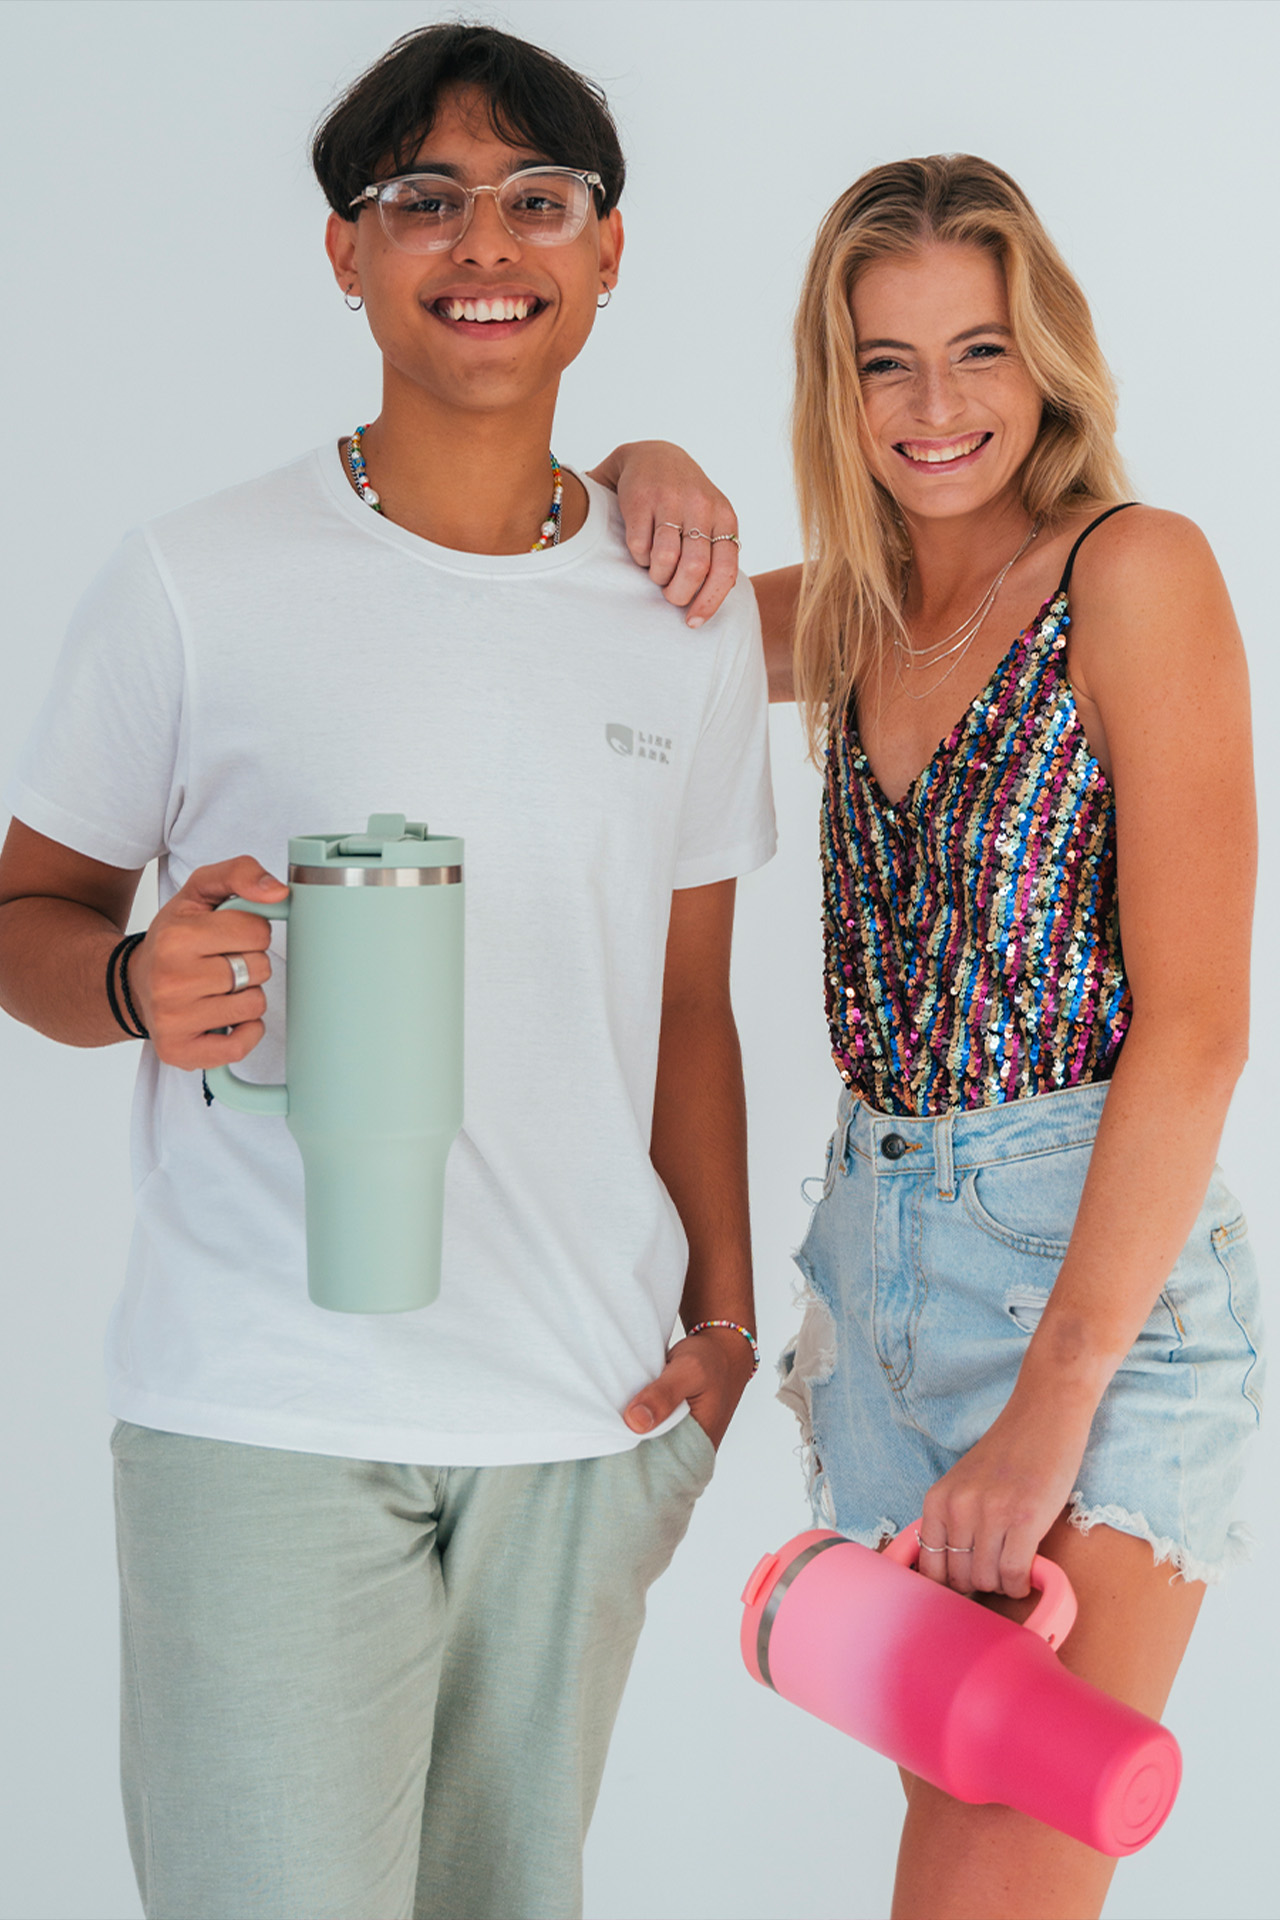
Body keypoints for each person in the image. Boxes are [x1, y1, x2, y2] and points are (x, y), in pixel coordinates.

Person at [0, 24, 773, 1920]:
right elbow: (29, 911)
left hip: (581, 1419)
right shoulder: (194, 580)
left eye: (538, 199)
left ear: (608, 251)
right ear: (345, 252)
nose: (483, 241)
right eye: (422, 199)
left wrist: (726, 1330)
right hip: (265, 1406)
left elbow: (685, 1006)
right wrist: (132, 983)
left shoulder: (682, 612)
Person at [605, 154, 1262, 1920]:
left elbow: (1200, 1032)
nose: (934, 406)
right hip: (874, 1286)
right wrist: (639, 467)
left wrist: (1052, 1408)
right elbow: (606, 612)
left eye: (978, 349)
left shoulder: (1131, 572)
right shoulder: (848, 612)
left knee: (995, 1876)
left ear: (1047, 356)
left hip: (1090, 1296)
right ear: (836, 384)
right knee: (961, 1854)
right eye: (882, 361)